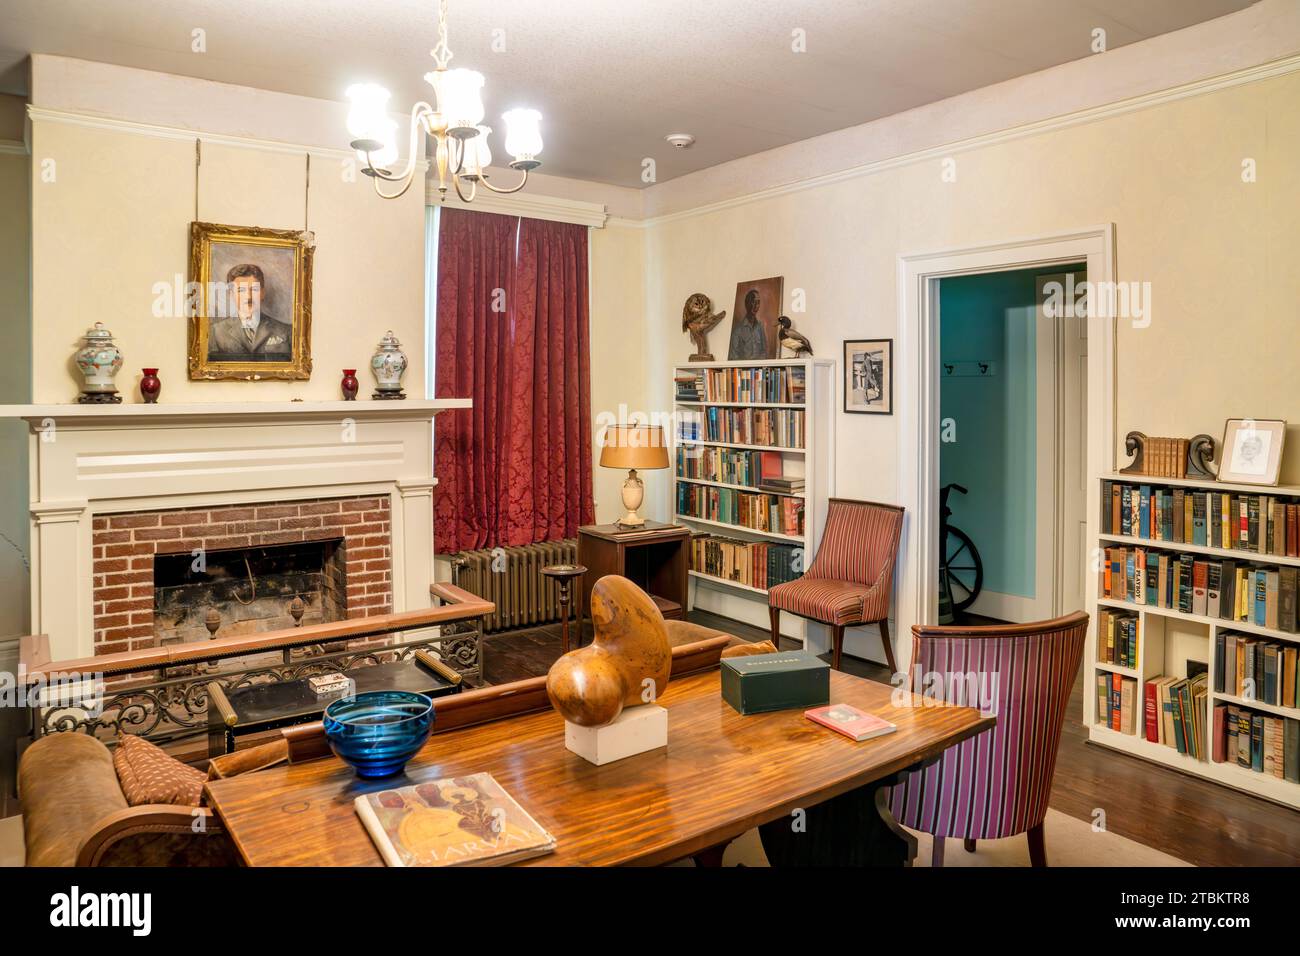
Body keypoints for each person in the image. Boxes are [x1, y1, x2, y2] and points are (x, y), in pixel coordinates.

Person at [207, 264, 293, 360]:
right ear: (231, 294)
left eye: (254, 289)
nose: (248, 296)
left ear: (262, 293)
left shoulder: (286, 331)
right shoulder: (215, 332)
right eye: (241, 290)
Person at [728, 288, 768, 359]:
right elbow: (734, 357)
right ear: (747, 304)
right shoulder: (737, 330)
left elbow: (764, 351)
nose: (756, 306)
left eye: (758, 302)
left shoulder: (760, 327)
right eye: (752, 302)